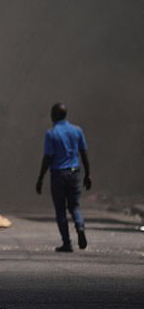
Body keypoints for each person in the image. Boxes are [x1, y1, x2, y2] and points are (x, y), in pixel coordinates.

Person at [36, 103, 92, 252]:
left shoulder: (51, 133)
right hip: (74, 172)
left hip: (58, 174)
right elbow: (84, 153)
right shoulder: (77, 131)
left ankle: (67, 243)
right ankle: (80, 226)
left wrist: (41, 177)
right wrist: (88, 174)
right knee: (74, 205)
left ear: (53, 115)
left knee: (60, 209)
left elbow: (47, 157)